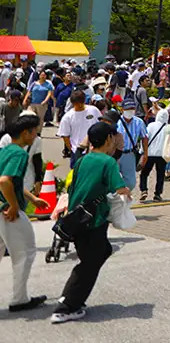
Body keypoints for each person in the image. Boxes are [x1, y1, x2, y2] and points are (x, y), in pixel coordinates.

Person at [49, 121, 132, 324]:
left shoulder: (82, 160)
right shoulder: (108, 162)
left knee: (102, 251)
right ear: (108, 139)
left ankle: (71, 298)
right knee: (89, 263)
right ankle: (66, 306)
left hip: (77, 218)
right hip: (93, 221)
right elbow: (119, 188)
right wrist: (127, 193)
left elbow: (73, 188)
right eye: (113, 137)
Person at [0, 115, 51, 312]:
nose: (36, 135)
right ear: (25, 133)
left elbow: (12, 182)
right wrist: (13, 205)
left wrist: (32, 199)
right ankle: (19, 299)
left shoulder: (5, 150)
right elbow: (4, 182)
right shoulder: (19, 154)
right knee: (26, 251)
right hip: (8, 212)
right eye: (35, 132)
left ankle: (20, 298)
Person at [140, 107, 170, 202]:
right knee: (160, 175)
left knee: (144, 173)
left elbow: (145, 138)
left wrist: (142, 151)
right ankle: (157, 194)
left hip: (150, 153)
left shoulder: (151, 125)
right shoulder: (169, 127)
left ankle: (144, 190)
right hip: (162, 155)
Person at [59, 90, 102, 166]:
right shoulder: (67, 117)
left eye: (81, 103)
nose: (79, 105)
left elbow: (101, 125)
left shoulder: (94, 110)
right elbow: (65, 136)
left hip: (95, 150)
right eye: (77, 104)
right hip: (77, 151)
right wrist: (72, 149)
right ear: (73, 103)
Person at [114, 101, 148, 192]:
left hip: (129, 154)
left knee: (131, 182)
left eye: (132, 109)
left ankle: (124, 195)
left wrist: (145, 154)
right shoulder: (116, 121)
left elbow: (144, 138)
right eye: (127, 109)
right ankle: (116, 197)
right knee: (113, 179)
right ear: (122, 110)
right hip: (115, 154)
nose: (130, 111)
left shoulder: (139, 122)